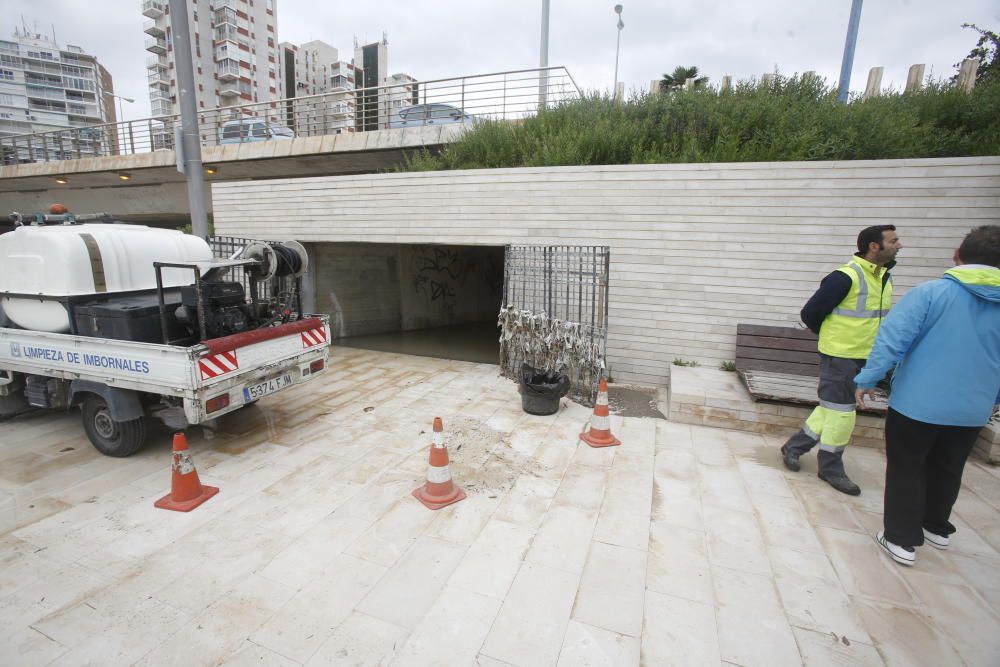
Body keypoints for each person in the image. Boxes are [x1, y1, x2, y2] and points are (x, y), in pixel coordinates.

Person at [855, 225, 1000, 567]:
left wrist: (866, 379)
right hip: (972, 409)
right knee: (949, 467)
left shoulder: (931, 294)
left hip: (918, 404)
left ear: (957, 256)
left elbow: (892, 341)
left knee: (907, 467)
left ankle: (901, 539)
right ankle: (936, 526)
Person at [780, 225, 902, 495]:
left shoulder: (883, 278)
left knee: (831, 408)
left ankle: (794, 446)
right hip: (840, 356)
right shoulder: (845, 277)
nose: (899, 245)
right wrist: (832, 338)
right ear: (873, 246)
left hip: (866, 357)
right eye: (893, 241)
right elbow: (810, 313)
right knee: (843, 413)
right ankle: (831, 467)